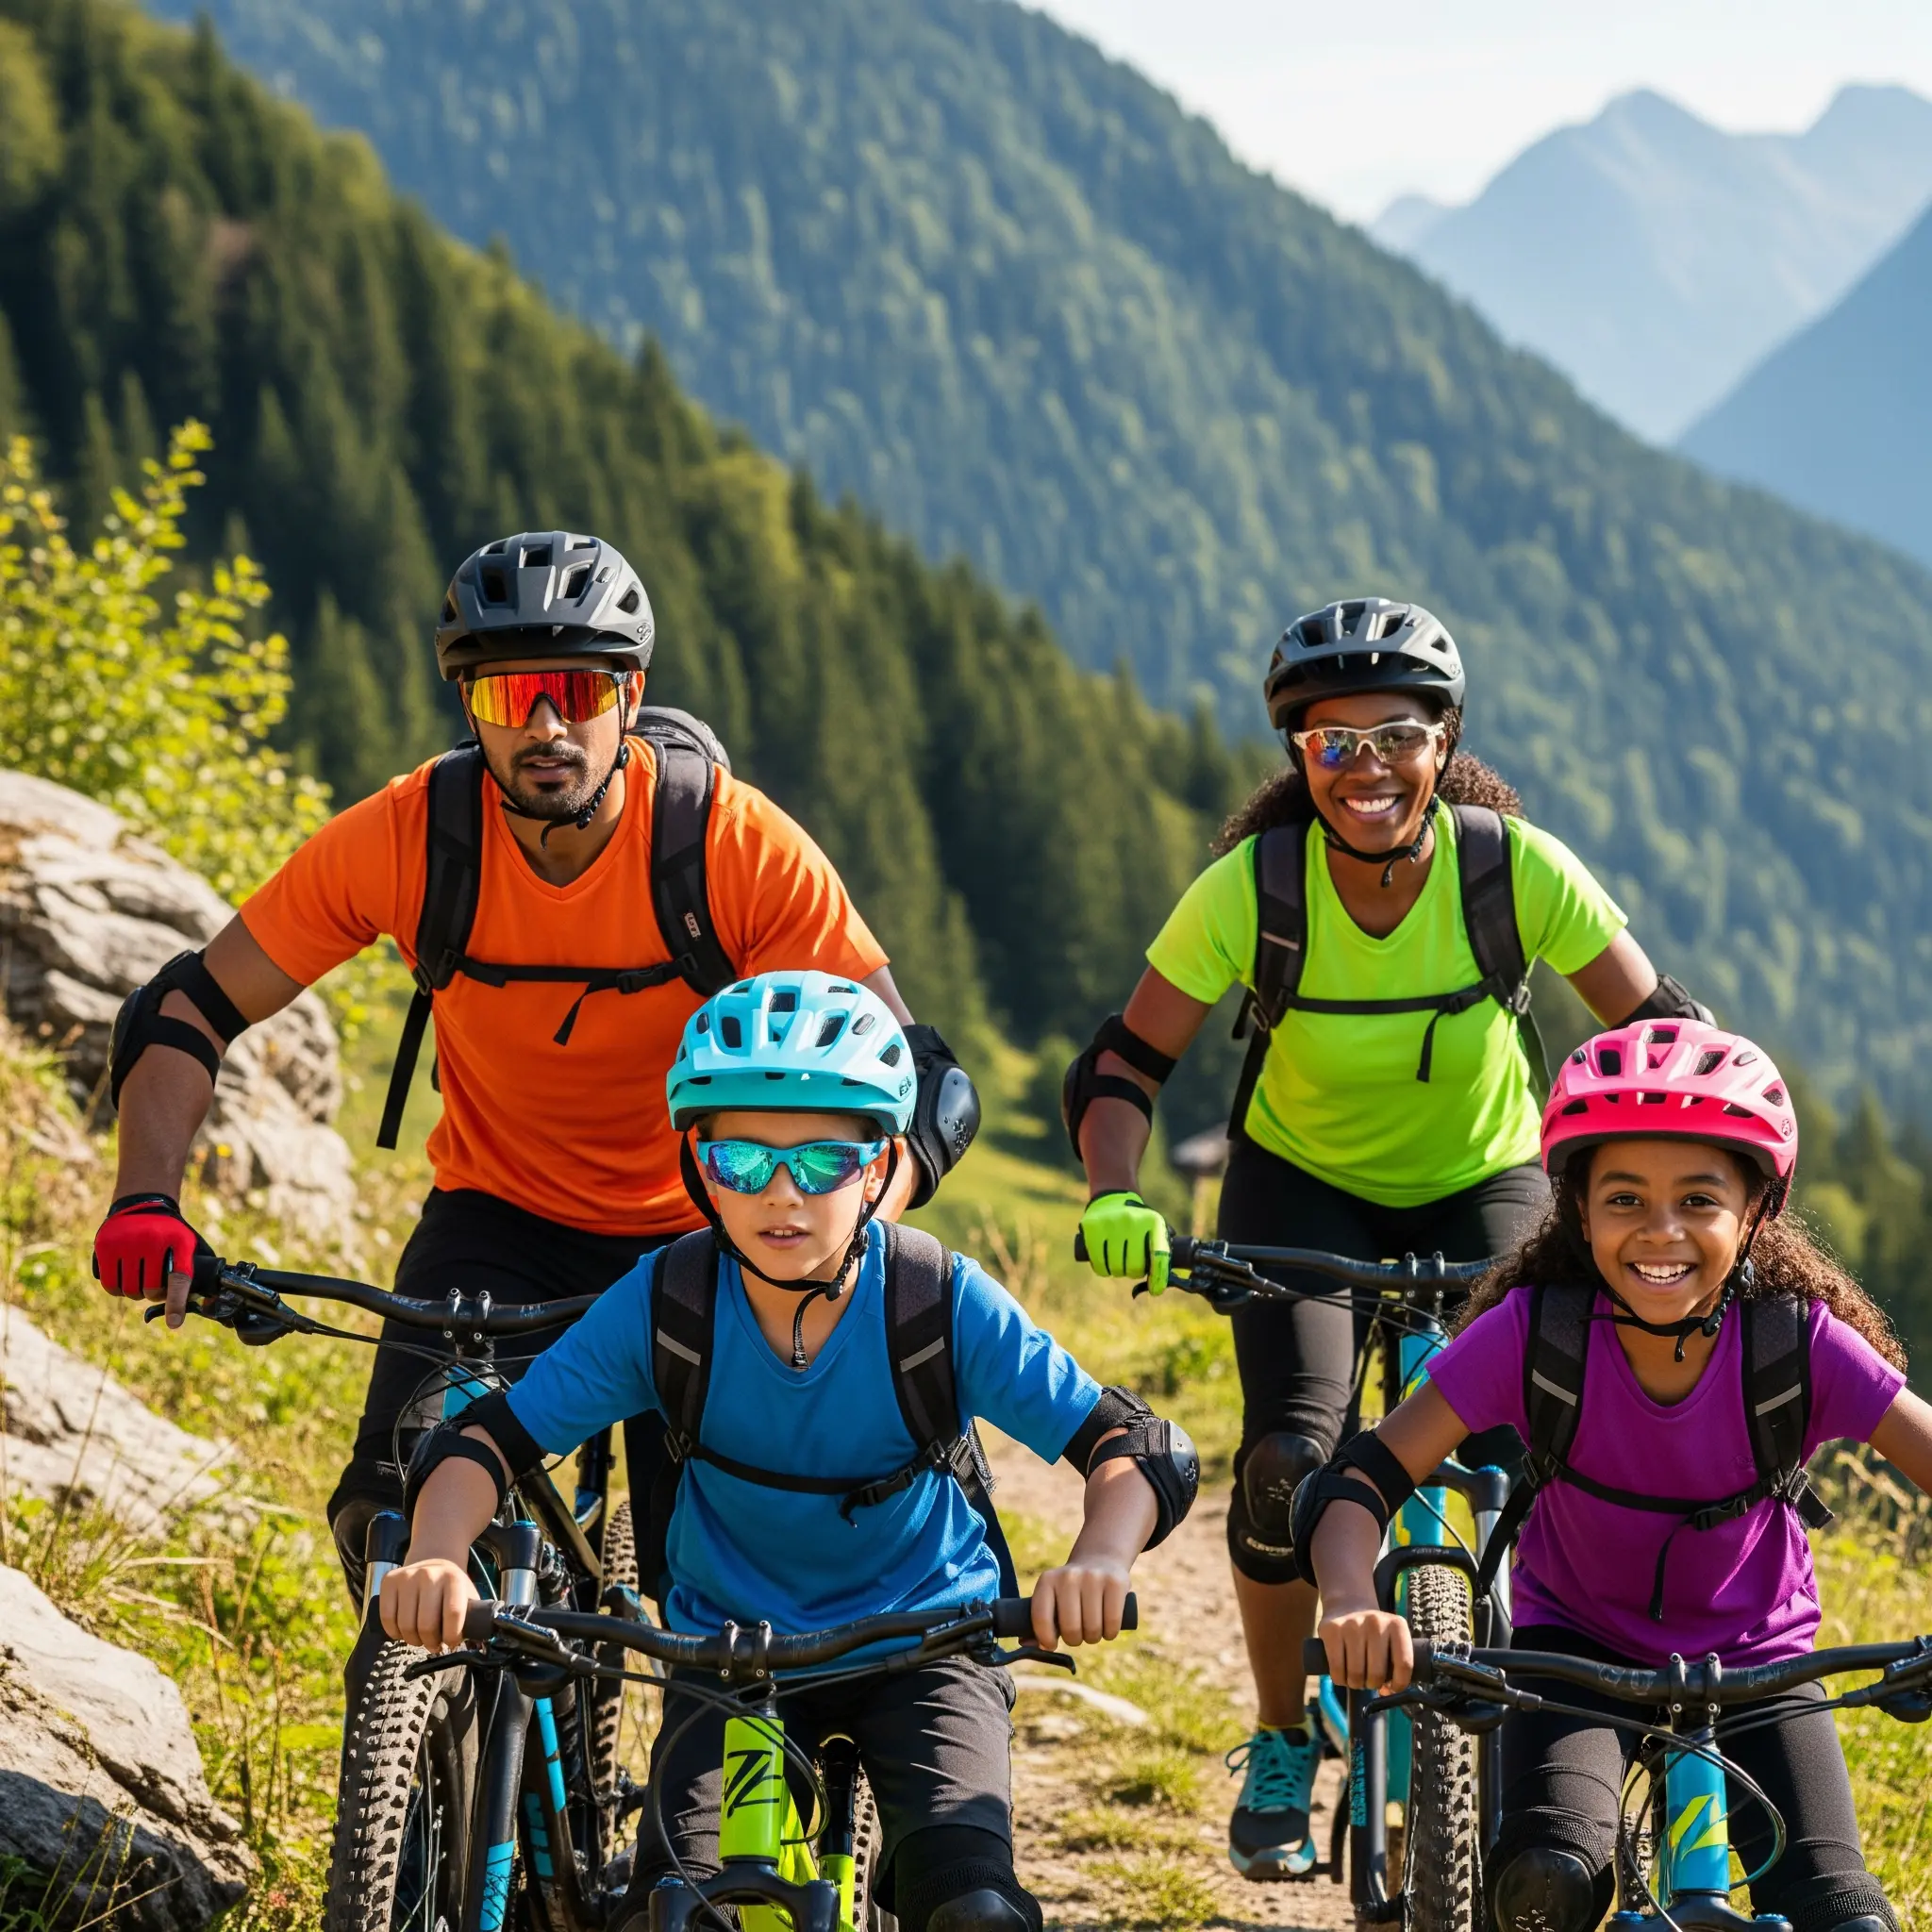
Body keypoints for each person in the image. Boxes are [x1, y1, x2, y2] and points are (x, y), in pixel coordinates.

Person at [91, 531, 980, 1606]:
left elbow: (916, 1078)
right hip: (497, 1217)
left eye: (576, 689)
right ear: (470, 704)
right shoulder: (413, 835)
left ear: (630, 693)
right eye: (513, 697)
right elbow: (185, 1005)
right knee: (389, 1503)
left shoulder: (728, 844)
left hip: (708, 1229)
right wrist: (147, 1197)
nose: (547, 726)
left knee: (725, 1562)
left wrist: (855, 1213)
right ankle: (446, 1750)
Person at [1064, 596, 1712, 1878]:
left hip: (1489, 1185)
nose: (1365, 769)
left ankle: (1567, 1728)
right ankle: (1279, 1736)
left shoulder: (1511, 869)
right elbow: (1121, 1066)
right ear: (1297, 757)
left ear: (1446, 740)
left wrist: (1688, 1199)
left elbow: (1665, 1038)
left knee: (1547, 1451)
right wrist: (1111, 1194)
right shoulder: (1253, 887)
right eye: (1331, 744)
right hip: (1299, 1191)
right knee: (1288, 1459)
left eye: (1396, 736)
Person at [381, 973, 1199, 1932]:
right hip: (731, 1661)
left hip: (925, 1645)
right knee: (681, 1912)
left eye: (820, 1162)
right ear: (699, 1165)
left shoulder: (932, 1296)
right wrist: (436, 1551)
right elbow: (489, 1439)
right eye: (740, 1158)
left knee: (972, 1906)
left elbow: (1131, 1444)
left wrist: (1099, 1556)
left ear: (878, 1164)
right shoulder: (667, 1301)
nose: (779, 1193)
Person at [1306, 1020, 1922, 1932]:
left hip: (1762, 1664)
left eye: (1699, 1200)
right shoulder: (1534, 1334)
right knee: (1542, 1887)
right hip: (1574, 1656)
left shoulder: (1798, 1345)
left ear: (1755, 1210)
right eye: (1624, 1199)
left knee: (1844, 1913)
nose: (1660, 1232)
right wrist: (1351, 1594)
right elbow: (1360, 1479)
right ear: (1578, 1211)